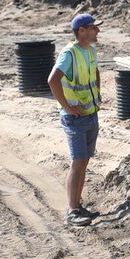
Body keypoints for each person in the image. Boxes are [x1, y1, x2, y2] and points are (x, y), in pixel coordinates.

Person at [48, 12, 104, 226]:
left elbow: (95, 72)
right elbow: (53, 80)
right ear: (82, 30)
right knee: (77, 162)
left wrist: (97, 94)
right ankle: (72, 211)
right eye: (94, 27)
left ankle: (78, 206)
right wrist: (67, 107)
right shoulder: (69, 54)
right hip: (75, 118)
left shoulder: (90, 51)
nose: (97, 31)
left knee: (84, 162)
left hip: (90, 113)